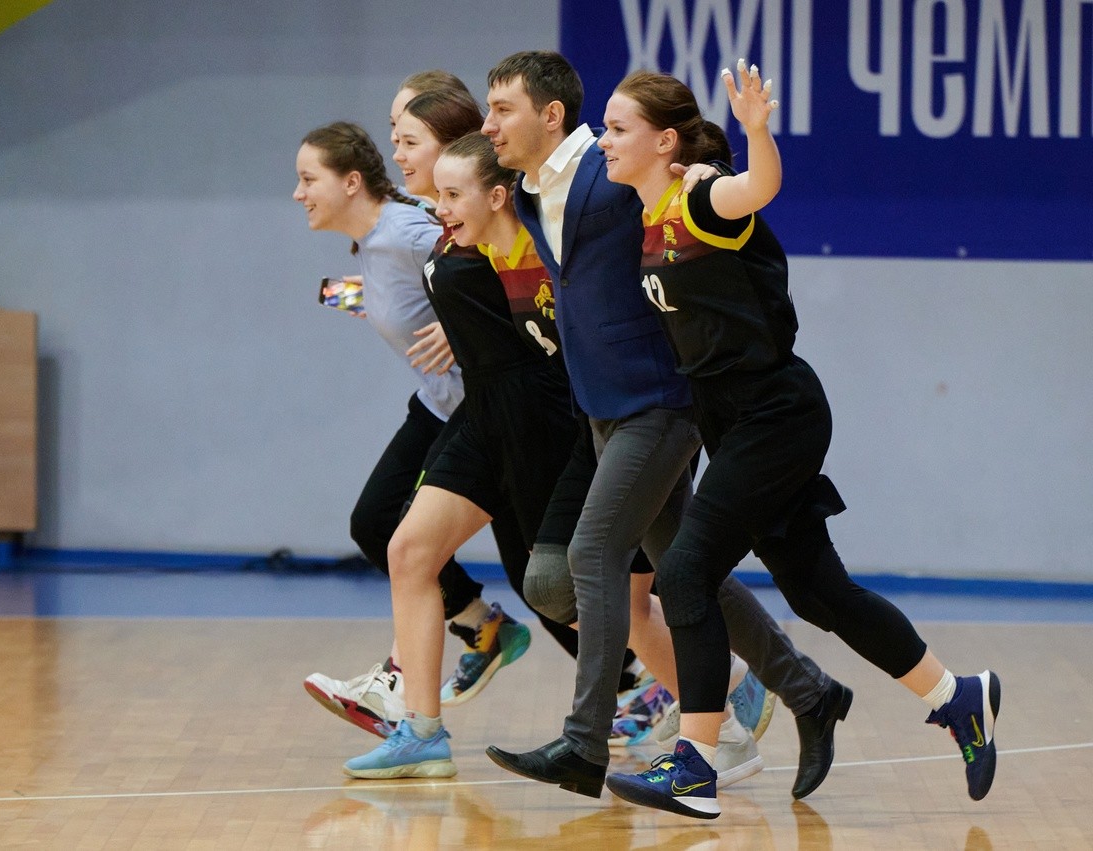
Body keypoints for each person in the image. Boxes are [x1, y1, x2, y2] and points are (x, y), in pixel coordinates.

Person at [597, 64, 1000, 819]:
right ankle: (956, 695)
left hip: (775, 412)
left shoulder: (702, 198)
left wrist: (756, 131)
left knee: (683, 574)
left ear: (666, 140)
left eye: (618, 128)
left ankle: (696, 767)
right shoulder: (648, 216)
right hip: (735, 421)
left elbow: (759, 187)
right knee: (818, 592)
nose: (604, 140)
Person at [478, 50, 852, 802]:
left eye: (503, 109)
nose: (490, 124)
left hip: (661, 399)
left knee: (593, 554)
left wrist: (720, 162)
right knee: (688, 569)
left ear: (550, 115)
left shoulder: (611, 165)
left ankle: (584, 743)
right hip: (602, 404)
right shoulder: (526, 191)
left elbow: (694, 185)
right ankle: (809, 691)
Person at [344, 93, 580, 780]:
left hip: (536, 419)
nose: (398, 152)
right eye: (394, 137)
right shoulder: (438, 228)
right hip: (479, 416)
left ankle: (720, 681)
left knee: (569, 592)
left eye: (409, 138)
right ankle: (422, 730)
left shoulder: (521, 233)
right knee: (407, 550)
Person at [293, 121, 533, 735]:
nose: (298, 193)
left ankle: (657, 683)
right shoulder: (374, 244)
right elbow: (405, 298)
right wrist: (341, 295)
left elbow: (485, 261)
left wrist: (458, 326)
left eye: (308, 179)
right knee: (385, 529)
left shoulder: (408, 230)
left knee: (541, 575)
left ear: (351, 182)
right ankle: (468, 640)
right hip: (442, 405)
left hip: (487, 408)